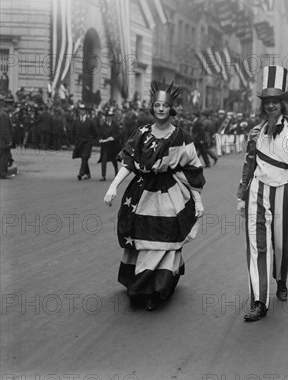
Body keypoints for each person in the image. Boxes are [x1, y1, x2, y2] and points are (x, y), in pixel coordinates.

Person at [103, 80, 205, 311]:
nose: (160, 109)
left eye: (165, 106)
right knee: (141, 237)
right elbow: (129, 163)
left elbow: (192, 169)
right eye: (157, 105)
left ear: (171, 109)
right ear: (152, 108)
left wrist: (197, 200)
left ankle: (156, 289)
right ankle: (140, 283)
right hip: (141, 193)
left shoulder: (181, 136)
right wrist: (114, 186)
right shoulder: (141, 133)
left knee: (166, 239)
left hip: (170, 194)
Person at [236, 65, 288, 322]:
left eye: (275, 101)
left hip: (285, 191)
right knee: (257, 246)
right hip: (258, 190)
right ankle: (259, 301)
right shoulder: (255, 132)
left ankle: (281, 279)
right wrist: (241, 196)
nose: (271, 106)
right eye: (267, 101)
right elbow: (249, 164)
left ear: (283, 104)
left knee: (281, 243)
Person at [72, 104, 97, 180]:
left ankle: (81, 173)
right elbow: (73, 132)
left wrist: (92, 141)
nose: (81, 111)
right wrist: (73, 143)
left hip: (88, 142)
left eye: (83, 110)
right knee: (83, 158)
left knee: (84, 157)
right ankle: (88, 173)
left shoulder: (90, 121)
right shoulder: (76, 121)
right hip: (79, 142)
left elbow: (95, 133)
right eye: (80, 110)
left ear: (85, 112)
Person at [97, 107, 121, 181]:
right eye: (108, 117)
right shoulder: (103, 125)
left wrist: (113, 137)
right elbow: (100, 134)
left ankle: (116, 172)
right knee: (104, 160)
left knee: (114, 160)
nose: (109, 118)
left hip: (113, 146)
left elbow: (119, 134)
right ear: (106, 117)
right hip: (105, 146)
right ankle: (103, 175)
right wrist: (100, 139)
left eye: (110, 117)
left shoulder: (115, 125)